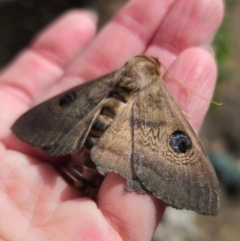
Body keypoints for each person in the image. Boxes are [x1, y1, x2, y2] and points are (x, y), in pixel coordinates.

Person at [0, 0, 224, 240]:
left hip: (88, 129)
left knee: (70, 101)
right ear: (158, 73)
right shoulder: (159, 95)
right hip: (117, 145)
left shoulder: (113, 78)